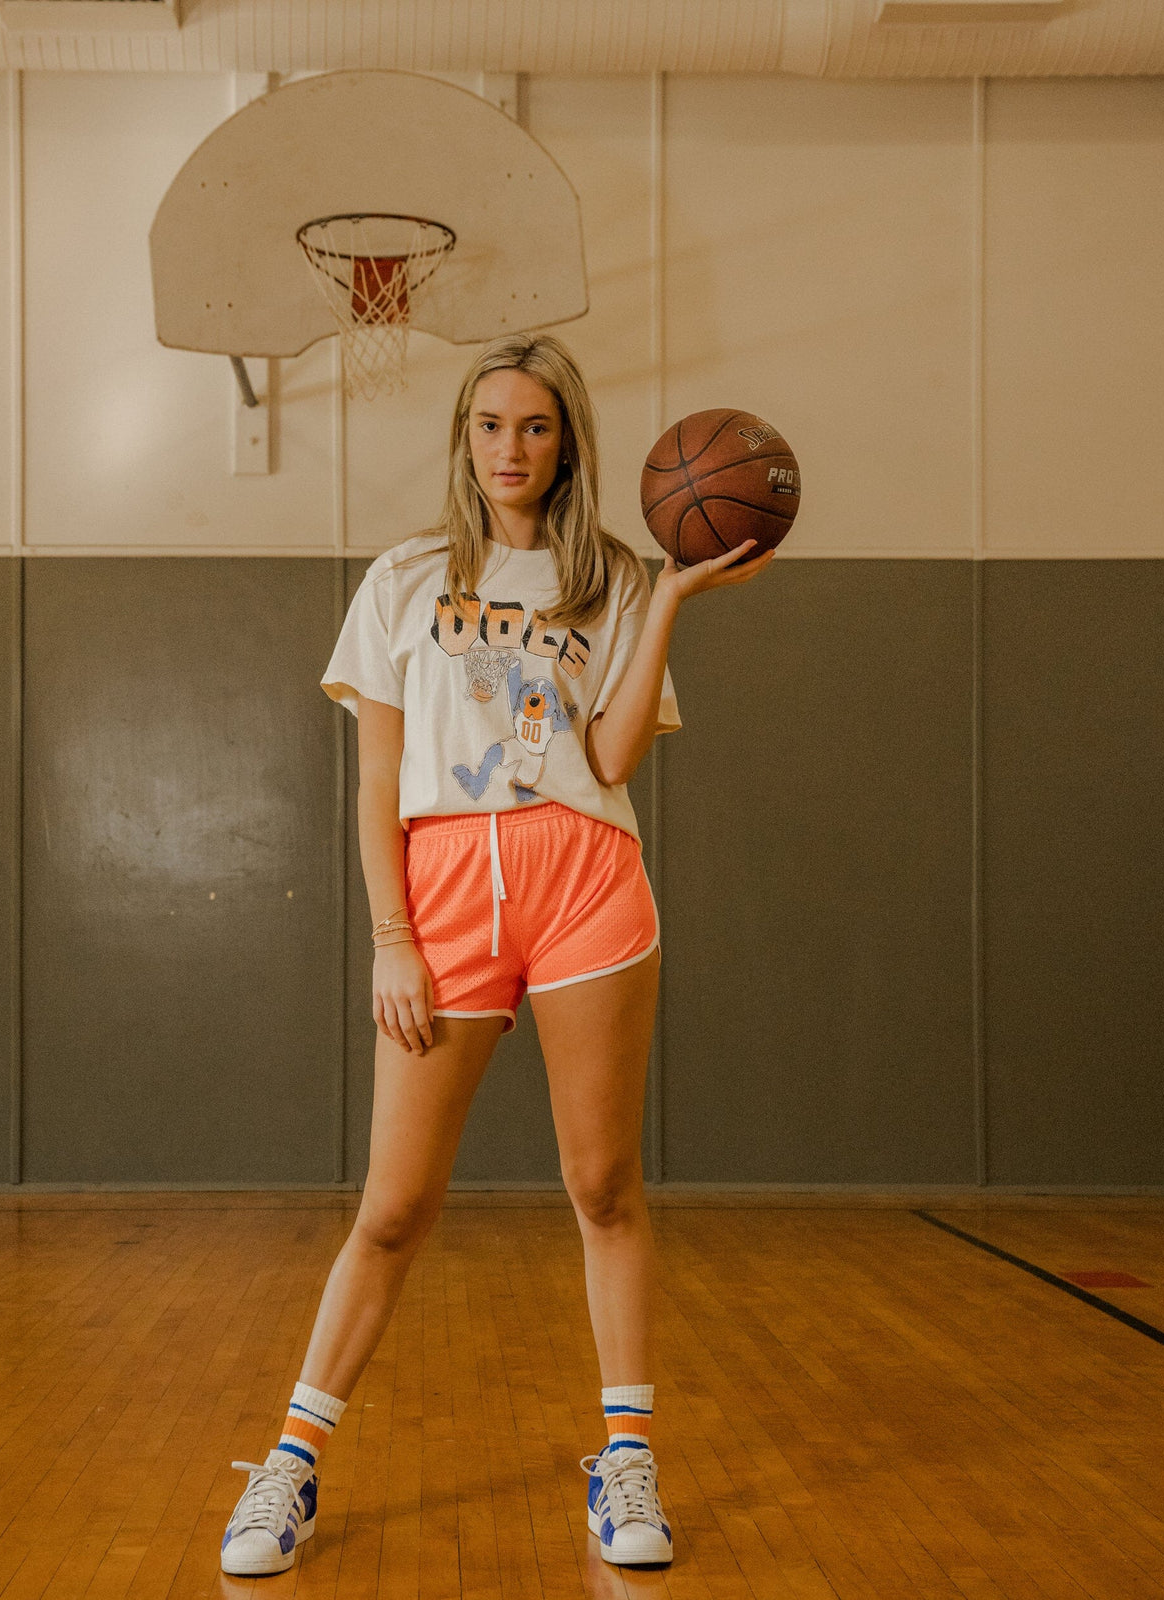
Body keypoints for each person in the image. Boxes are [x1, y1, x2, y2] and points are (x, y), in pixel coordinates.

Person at [220, 333, 776, 1577]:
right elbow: (375, 777)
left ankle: (626, 1453)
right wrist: (392, 937)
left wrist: (673, 598)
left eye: (533, 426)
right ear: (463, 439)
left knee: (603, 1187)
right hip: (444, 891)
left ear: (566, 438)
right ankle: (291, 1469)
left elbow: (617, 756)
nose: (509, 449)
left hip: (587, 880)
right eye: (487, 425)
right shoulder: (406, 576)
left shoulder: (619, 579)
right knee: (395, 1206)